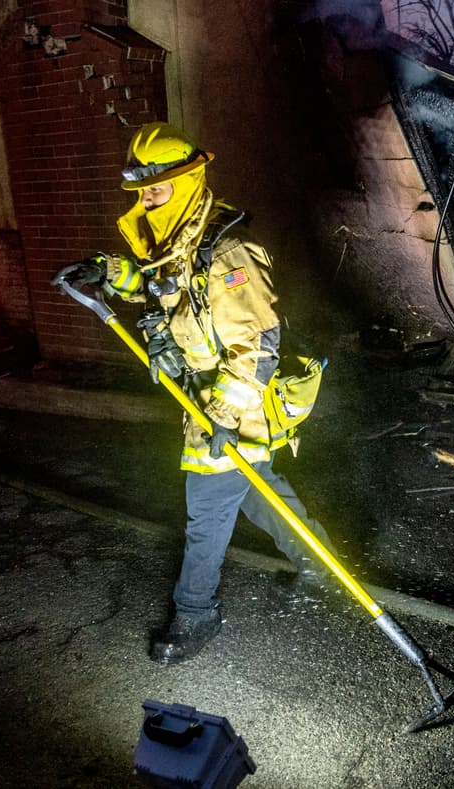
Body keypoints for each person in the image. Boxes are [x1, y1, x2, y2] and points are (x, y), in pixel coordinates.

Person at [53, 122, 333, 665]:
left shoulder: (229, 253)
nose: (145, 200)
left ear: (184, 182)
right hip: (209, 398)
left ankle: (196, 612)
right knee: (260, 494)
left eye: (154, 190)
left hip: (239, 403)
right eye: (140, 192)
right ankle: (319, 564)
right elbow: (158, 286)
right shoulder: (182, 241)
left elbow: (258, 348)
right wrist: (105, 271)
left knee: (207, 510)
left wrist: (223, 415)